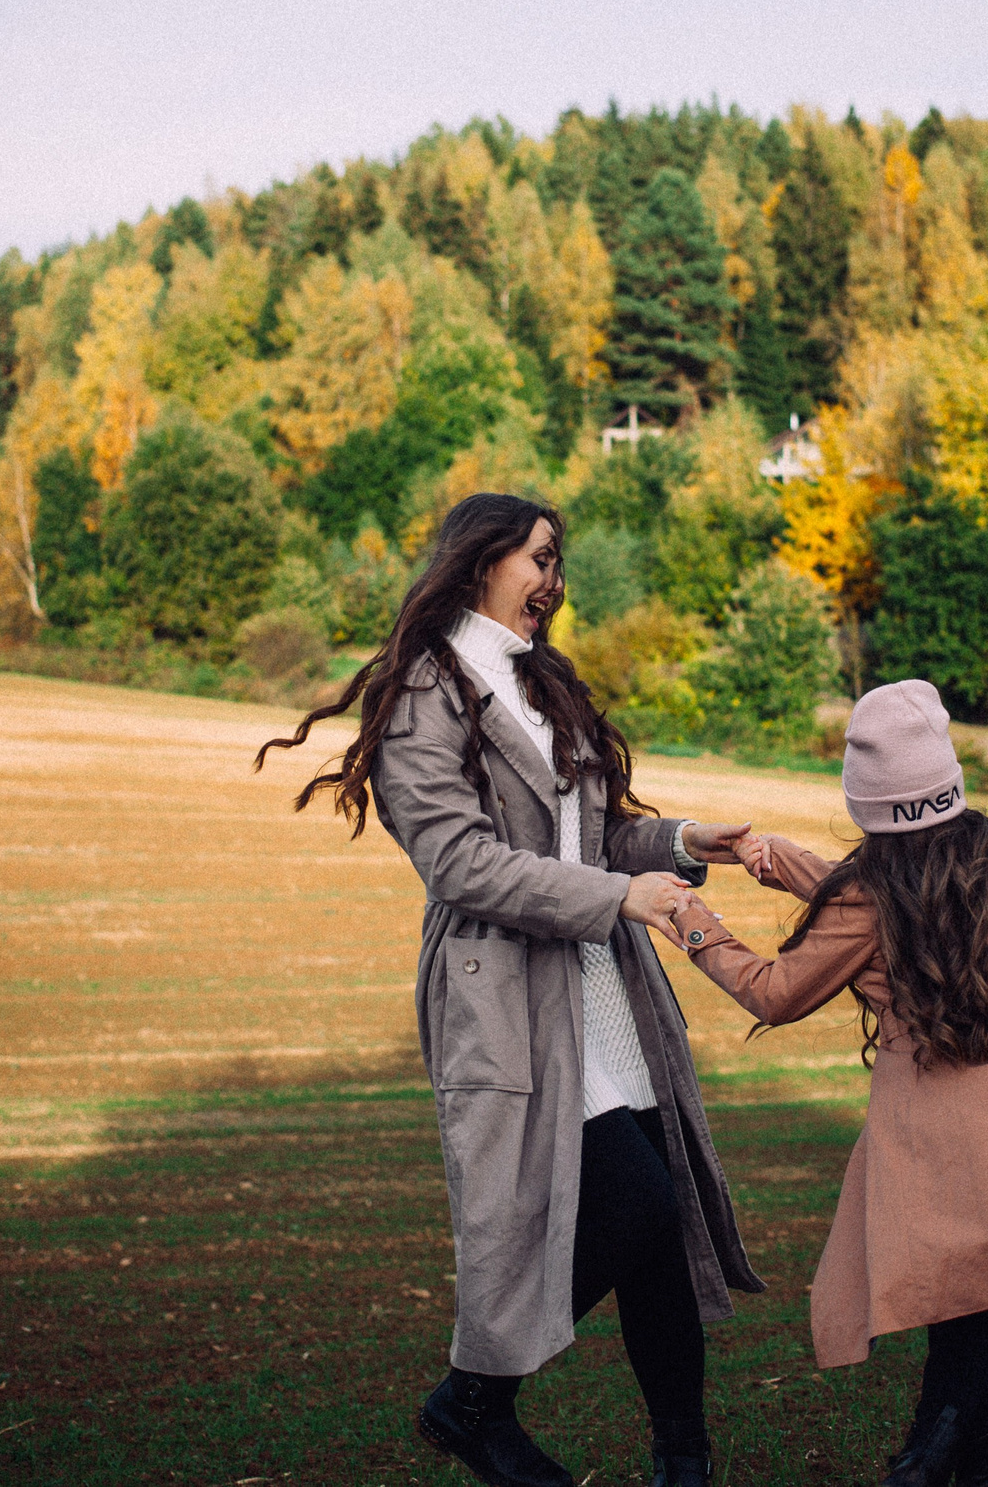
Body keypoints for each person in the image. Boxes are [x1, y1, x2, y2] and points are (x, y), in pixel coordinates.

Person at [258, 492, 764, 1487]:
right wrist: (625, 895)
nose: (554, 580)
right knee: (637, 1207)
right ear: (481, 560)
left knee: (658, 1239)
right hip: (509, 1000)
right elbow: (465, 865)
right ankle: (473, 1399)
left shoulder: (539, 684)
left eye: (558, 560)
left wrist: (678, 843)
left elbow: (590, 837)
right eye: (539, 558)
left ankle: (686, 1465)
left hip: (605, 996)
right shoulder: (424, 693)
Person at [634, 679, 988, 1487]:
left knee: (964, 1324)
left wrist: (689, 918)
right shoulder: (983, 850)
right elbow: (897, 905)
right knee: (974, 1309)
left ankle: (926, 1454)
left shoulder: (865, 895)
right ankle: (951, 1453)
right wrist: (783, 860)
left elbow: (776, 990)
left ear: (867, 798)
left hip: (938, 1132)